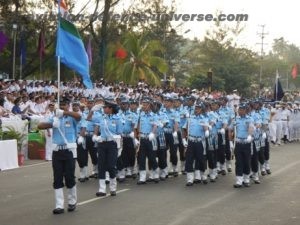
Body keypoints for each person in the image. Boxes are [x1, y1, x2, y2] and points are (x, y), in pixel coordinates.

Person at [37, 98, 81, 214]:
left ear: (68, 105)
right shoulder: (54, 117)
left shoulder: (72, 117)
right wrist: (51, 123)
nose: (62, 106)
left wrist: (64, 113)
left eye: (64, 105)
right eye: (60, 105)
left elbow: (78, 116)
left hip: (69, 151)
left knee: (69, 177)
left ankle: (72, 202)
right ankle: (59, 205)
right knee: (57, 178)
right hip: (57, 151)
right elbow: (40, 126)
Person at [92, 100, 122, 196]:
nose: (104, 108)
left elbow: (119, 133)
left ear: (111, 108)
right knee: (101, 166)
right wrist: (95, 135)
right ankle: (102, 189)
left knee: (111, 166)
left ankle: (113, 187)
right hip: (102, 143)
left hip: (112, 144)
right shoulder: (101, 117)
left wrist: (119, 147)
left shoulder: (117, 118)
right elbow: (91, 121)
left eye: (105, 107)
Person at [229, 103, 254, 188]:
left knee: (246, 161)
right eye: (239, 109)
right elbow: (230, 129)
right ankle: (239, 180)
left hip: (246, 143)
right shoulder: (235, 120)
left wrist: (250, 135)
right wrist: (230, 141)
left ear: (246, 110)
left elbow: (251, 128)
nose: (240, 111)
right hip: (238, 143)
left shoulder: (249, 119)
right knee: (238, 162)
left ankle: (246, 179)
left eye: (242, 109)